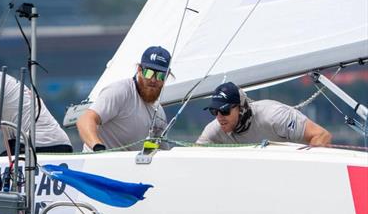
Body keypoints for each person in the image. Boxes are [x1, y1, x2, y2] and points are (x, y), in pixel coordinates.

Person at [76, 45, 171, 151]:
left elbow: (163, 152)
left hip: (129, 166)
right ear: (139, 70)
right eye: (149, 73)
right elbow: (85, 120)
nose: (153, 80)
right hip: (97, 164)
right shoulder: (120, 91)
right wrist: (97, 147)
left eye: (160, 76)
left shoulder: (160, 113)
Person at [196, 81, 332, 146]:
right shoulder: (214, 130)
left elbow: (322, 135)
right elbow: (193, 156)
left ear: (241, 108)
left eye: (225, 111)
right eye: (214, 111)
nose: (219, 117)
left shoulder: (273, 115)